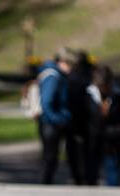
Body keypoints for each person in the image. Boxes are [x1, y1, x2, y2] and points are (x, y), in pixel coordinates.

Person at [85, 66, 120, 187]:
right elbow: (84, 115)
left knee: (113, 167)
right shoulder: (89, 92)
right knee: (92, 168)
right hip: (94, 135)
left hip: (114, 135)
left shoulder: (119, 92)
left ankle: (113, 189)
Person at [36, 49, 75, 184]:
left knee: (51, 157)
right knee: (49, 158)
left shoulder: (57, 75)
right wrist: (58, 119)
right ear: (62, 62)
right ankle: (45, 184)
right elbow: (46, 102)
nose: (71, 68)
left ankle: (46, 182)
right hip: (50, 124)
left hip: (51, 123)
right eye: (70, 65)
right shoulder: (53, 77)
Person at [65, 50, 93, 185]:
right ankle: (87, 176)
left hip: (74, 118)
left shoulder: (71, 76)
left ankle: (77, 176)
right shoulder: (90, 75)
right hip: (88, 119)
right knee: (87, 150)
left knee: (73, 150)